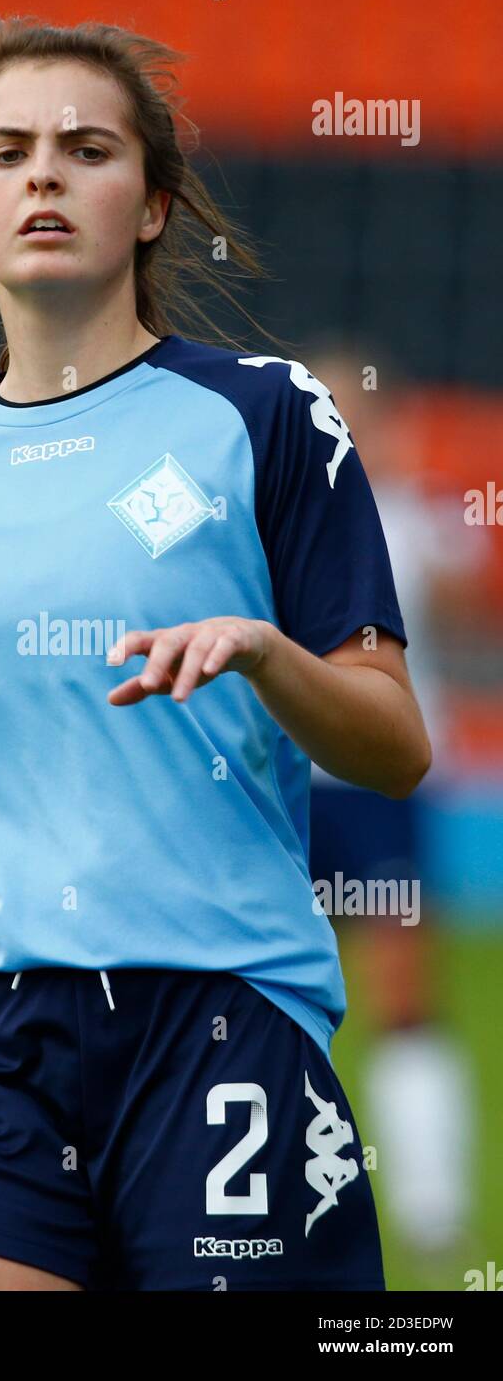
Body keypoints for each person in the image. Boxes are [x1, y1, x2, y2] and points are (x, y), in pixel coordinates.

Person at [0, 17, 431, 1292]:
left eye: (86, 148)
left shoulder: (264, 417)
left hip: (215, 1018)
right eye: (9, 151)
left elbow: (394, 742)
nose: (44, 174)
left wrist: (266, 654)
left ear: (152, 206)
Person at [304, 344, 480, 1265]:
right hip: (286, 789)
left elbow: (465, 599)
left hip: (385, 788)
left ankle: (429, 1200)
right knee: (263, 997)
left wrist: (405, 483)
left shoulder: (415, 519)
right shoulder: (273, 521)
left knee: (404, 999)